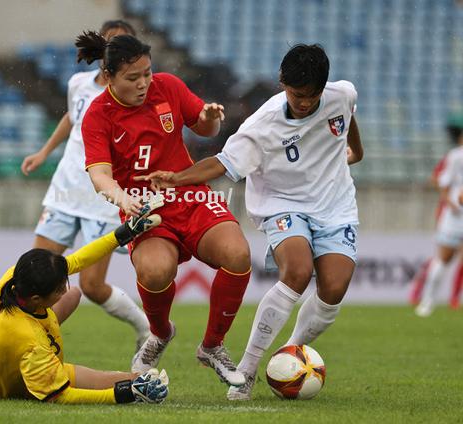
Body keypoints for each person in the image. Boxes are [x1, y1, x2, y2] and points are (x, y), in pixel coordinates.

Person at [140, 44, 364, 401]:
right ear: (282, 83)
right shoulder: (262, 125)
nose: (303, 103)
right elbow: (221, 163)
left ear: (324, 87)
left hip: (335, 205)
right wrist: (178, 178)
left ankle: (289, 355)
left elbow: (347, 114)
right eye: (295, 94)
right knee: (297, 271)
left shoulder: (342, 93)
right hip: (282, 203)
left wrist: (355, 150)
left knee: (334, 288)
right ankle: (246, 370)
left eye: (310, 95)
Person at [76, 32, 252, 387]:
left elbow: (203, 127)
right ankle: (159, 332)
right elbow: (100, 175)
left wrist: (209, 117)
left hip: (188, 195)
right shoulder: (98, 115)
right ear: (108, 77)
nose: (143, 83)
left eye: (147, 73)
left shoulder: (167, 86)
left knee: (238, 254)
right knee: (156, 271)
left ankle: (212, 346)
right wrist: (124, 200)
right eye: (132, 78)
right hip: (144, 209)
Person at [20, 20, 150, 351]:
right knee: (33, 269)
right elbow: (70, 117)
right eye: (112, 45)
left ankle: (147, 330)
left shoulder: (131, 95)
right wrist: (44, 151)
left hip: (102, 197)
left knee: (92, 285)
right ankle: (18, 331)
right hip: (66, 190)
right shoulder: (79, 83)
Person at [0, 201, 170, 403]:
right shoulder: (30, 342)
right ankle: (133, 384)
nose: (64, 289)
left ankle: (134, 381)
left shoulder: (13, 278)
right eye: (59, 289)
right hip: (22, 383)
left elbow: (77, 260)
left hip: (17, 352)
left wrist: (124, 233)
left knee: (74, 295)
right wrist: (126, 394)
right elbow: (61, 395)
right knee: (126, 384)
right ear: (36, 299)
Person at [410, 115, 463, 310]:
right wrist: (451, 201)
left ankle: (452, 300)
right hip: (455, 215)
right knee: (443, 258)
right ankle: (428, 300)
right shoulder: (456, 156)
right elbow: (442, 180)